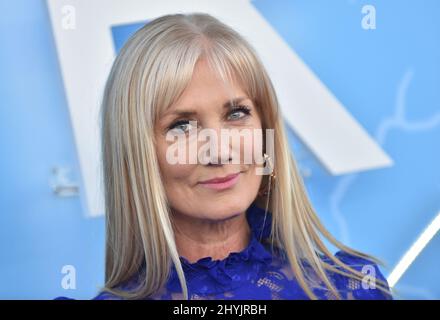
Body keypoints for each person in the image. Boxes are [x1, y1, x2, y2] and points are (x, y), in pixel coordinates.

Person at [57, 12, 392, 300]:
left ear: (266, 131)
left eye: (236, 114)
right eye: (182, 126)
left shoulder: (351, 288)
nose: (219, 151)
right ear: (138, 154)